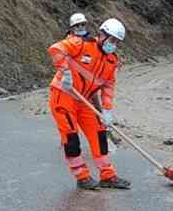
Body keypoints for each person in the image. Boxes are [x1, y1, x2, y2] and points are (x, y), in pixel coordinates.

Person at [47, 18, 130, 190]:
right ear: (102, 35)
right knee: (71, 138)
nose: (113, 45)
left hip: (84, 100)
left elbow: (108, 86)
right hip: (63, 95)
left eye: (117, 42)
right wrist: (66, 72)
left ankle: (107, 175)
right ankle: (82, 177)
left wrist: (107, 111)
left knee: (99, 134)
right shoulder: (81, 44)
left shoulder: (111, 61)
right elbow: (55, 49)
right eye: (112, 40)